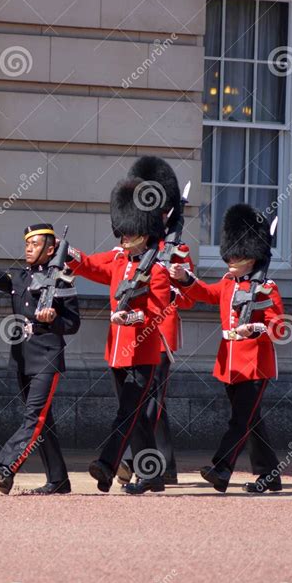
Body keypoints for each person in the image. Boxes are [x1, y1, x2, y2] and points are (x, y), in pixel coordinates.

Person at [66, 177, 171, 495]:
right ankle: (151, 474)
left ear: (146, 231)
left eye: (131, 230)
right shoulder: (118, 261)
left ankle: (107, 465)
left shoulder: (159, 271)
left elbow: (157, 311)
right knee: (136, 417)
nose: (125, 235)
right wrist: (63, 250)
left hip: (142, 353)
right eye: (122, 230)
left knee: (127, 412)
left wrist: (132, 317)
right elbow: (87, 265)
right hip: (117, 352)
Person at [0, 223, 80, 495]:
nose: (28, 248)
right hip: (23, 356)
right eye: (27, 243)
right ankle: (58, 480)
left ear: (50, 250)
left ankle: (5, 466)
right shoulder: (22, 277)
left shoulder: (63, 279)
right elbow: (1, 279)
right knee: (43, 422)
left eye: (35, 244)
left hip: (47, 356)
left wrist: (55, 319)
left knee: (34, 418)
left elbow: (73, 323)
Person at [170, 204, 285, 494]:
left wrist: (256, 329)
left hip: (256, 365)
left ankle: (221, 469)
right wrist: (185, 279)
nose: (231, 259)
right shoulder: (227, 283)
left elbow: (279, 327)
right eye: (230, 253)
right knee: (251, 422)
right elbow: (206, 294)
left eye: (238, 254)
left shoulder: (266, 288)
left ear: (252, 257)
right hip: (230, 364)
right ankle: (270, 475)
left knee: (239, 420)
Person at [115, 156, 195, 487]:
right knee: (144, 400)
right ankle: (166, 465)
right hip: (131, 331)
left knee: (151, 402)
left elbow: (189, 299)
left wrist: (180, 278)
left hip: (160, 333)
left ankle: (135, 460)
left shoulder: (177, 250)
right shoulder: (131, 249)